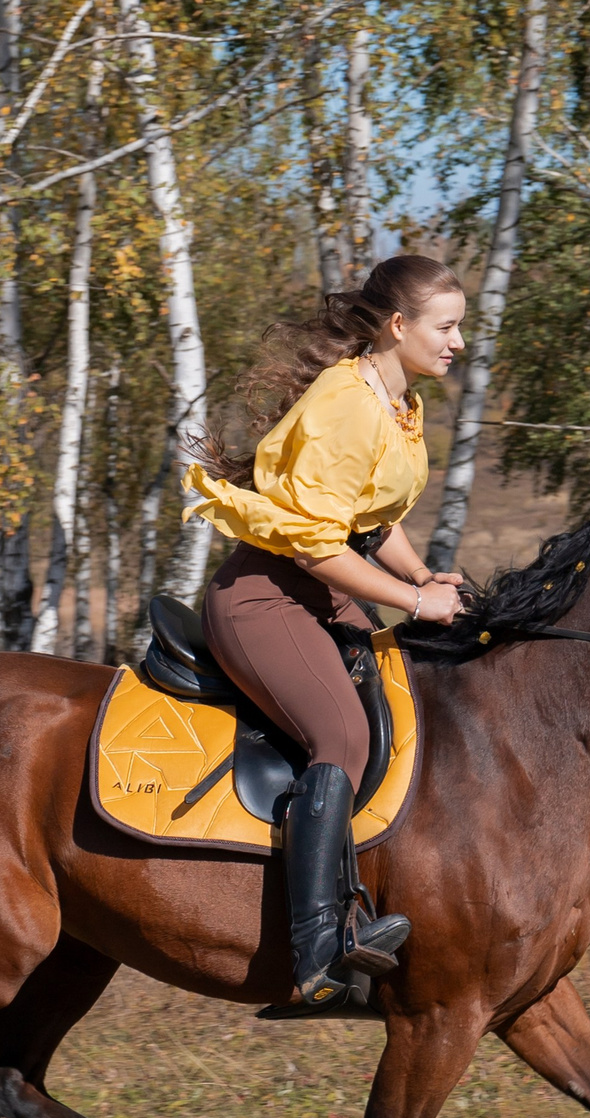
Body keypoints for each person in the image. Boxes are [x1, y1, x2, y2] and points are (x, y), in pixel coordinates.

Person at [182, 254, 469, 1014]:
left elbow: (373, 517)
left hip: (325, 593)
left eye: (459, 328)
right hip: (266, 598)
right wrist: (413, 601)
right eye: (446, 328)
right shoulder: (348, 404)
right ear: (399, 326)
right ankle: (317, 954)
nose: (458, 343)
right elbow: (316, 549)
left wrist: (426, 575)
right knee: (342, 734)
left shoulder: (396, 401)